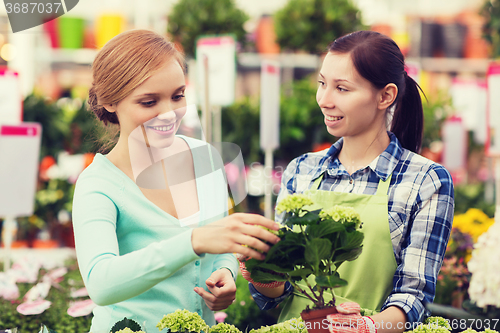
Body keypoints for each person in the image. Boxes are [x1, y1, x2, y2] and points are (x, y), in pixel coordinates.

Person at [241, 30, 454, 332]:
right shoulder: (301, 171)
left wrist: (364, 326)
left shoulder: (425, 181)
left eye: (342, 89)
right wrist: (264, 273)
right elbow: (283, 292)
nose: (324, 100)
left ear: (385, 96)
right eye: (322, 84)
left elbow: (413, 298)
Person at [72, 29, 280, 333]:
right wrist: (193, 242)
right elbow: (101, 283)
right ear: (110, 102)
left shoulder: (204, 158)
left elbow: (220, 244)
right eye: (148, 102)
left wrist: (225, 271)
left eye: (177, 96)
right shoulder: (98, 184)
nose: (168, 113)